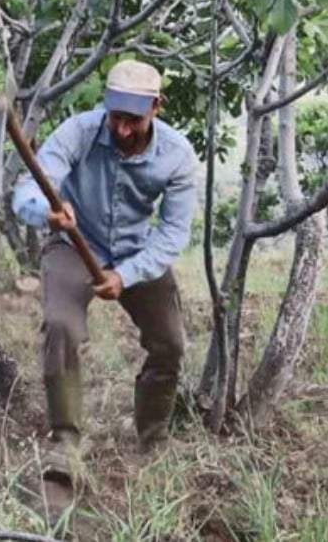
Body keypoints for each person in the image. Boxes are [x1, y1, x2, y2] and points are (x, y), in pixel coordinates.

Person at [11, 59, 197, 485]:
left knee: (170, 342)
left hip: (137, 252)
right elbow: (27, 191)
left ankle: (153, 437)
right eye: (116, 118)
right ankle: (65, 442)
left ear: (156, 107)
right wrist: (48, 212)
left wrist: (125, 276)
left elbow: (172, 233)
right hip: (74, 245)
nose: (123, 130)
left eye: (134, 119)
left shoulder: (177, 155)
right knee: (62, 327)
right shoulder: (77, 132)